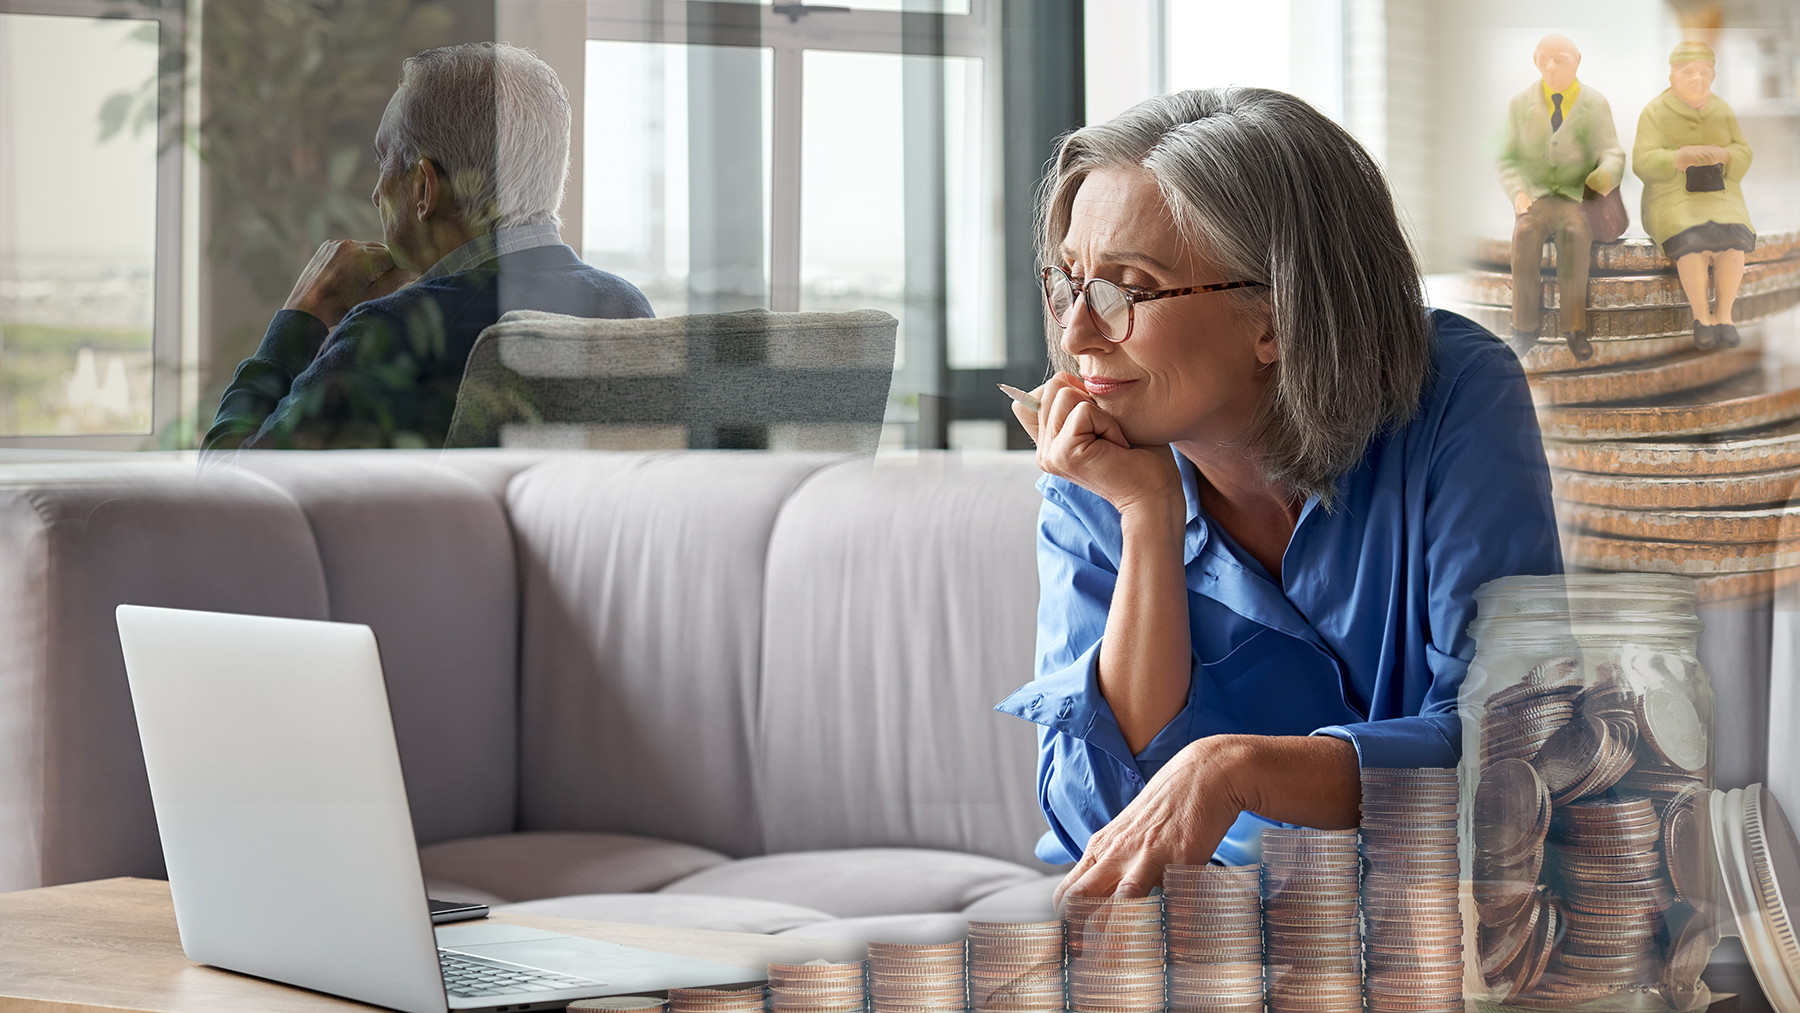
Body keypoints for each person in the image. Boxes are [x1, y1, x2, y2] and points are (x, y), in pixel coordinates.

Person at [993, 87, 1561, 901]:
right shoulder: (1099, 464)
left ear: (1277, 317)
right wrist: (1149, 520)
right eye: (1068, 282)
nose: (1077, 334)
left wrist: (1238, 767)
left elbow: (1514, 751)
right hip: (1203, 933)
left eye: (1127, 288)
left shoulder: (1458, 396)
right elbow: (1103, 819)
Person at [204, 42, 652, 452]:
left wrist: (303, 315)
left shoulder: (393, 335)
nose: (376, 194)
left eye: (384, 161)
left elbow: (229, 493)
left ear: (424, 188)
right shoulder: (628, 311)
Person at [1496, 34, 1626, 362]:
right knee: (1524, 234)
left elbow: (1612, 151)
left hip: (1574, 198)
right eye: (1544, 60)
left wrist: (1605, 174)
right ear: (1536, 62)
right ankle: (1524, 328)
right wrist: (1517, 192)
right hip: (1537, 197)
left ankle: (1575, 328)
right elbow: (1507, 158)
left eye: (1561, 60)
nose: (1551, 68)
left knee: (1575, 234)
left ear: (1577, 61)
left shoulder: (1594, 103)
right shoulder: (1519, 104)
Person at [1634, 41, 1754, 350]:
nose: (1697, 79)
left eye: (1704, 73)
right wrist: (1678, 157)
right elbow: (1642, 161)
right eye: (1688, 72)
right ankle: (1701, 317)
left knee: (1733, 241)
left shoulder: (1723, 110)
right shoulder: (1655, 112)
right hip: (1672, 195)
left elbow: (1743, 150)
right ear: (1672, 75)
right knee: (1693, 242)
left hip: (1720, 193)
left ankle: (1725, 316)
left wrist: (1725, 154)